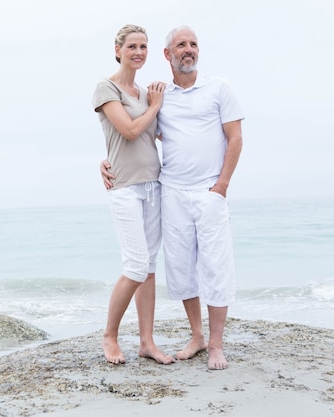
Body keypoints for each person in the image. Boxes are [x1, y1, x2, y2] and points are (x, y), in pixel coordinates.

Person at [101, 26, 244, 370]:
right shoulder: (158, 97)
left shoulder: (219, 88)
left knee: (215, 267)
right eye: (181, 45)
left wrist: (222, 185)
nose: (189, 50)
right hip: (171, 193)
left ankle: (216, 345)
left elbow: (235, 137)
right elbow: (136, 133)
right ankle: (197, 336)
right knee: (180, 270)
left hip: (209, 192)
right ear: (168, 54)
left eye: (194, 44)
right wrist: (106, 161)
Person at [92, 24, 174, 365]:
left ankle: (147, 342)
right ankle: (109, 336)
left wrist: (153, 103)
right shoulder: (106, 88)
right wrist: (155, 106)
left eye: (143, 46)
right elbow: (127, 131)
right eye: (132, 46)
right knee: (136, 265)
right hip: (124, 188)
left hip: (153, 186)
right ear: (118, 49)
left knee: (150, 267)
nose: (138, 52)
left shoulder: (143, 92)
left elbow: (154, 138)